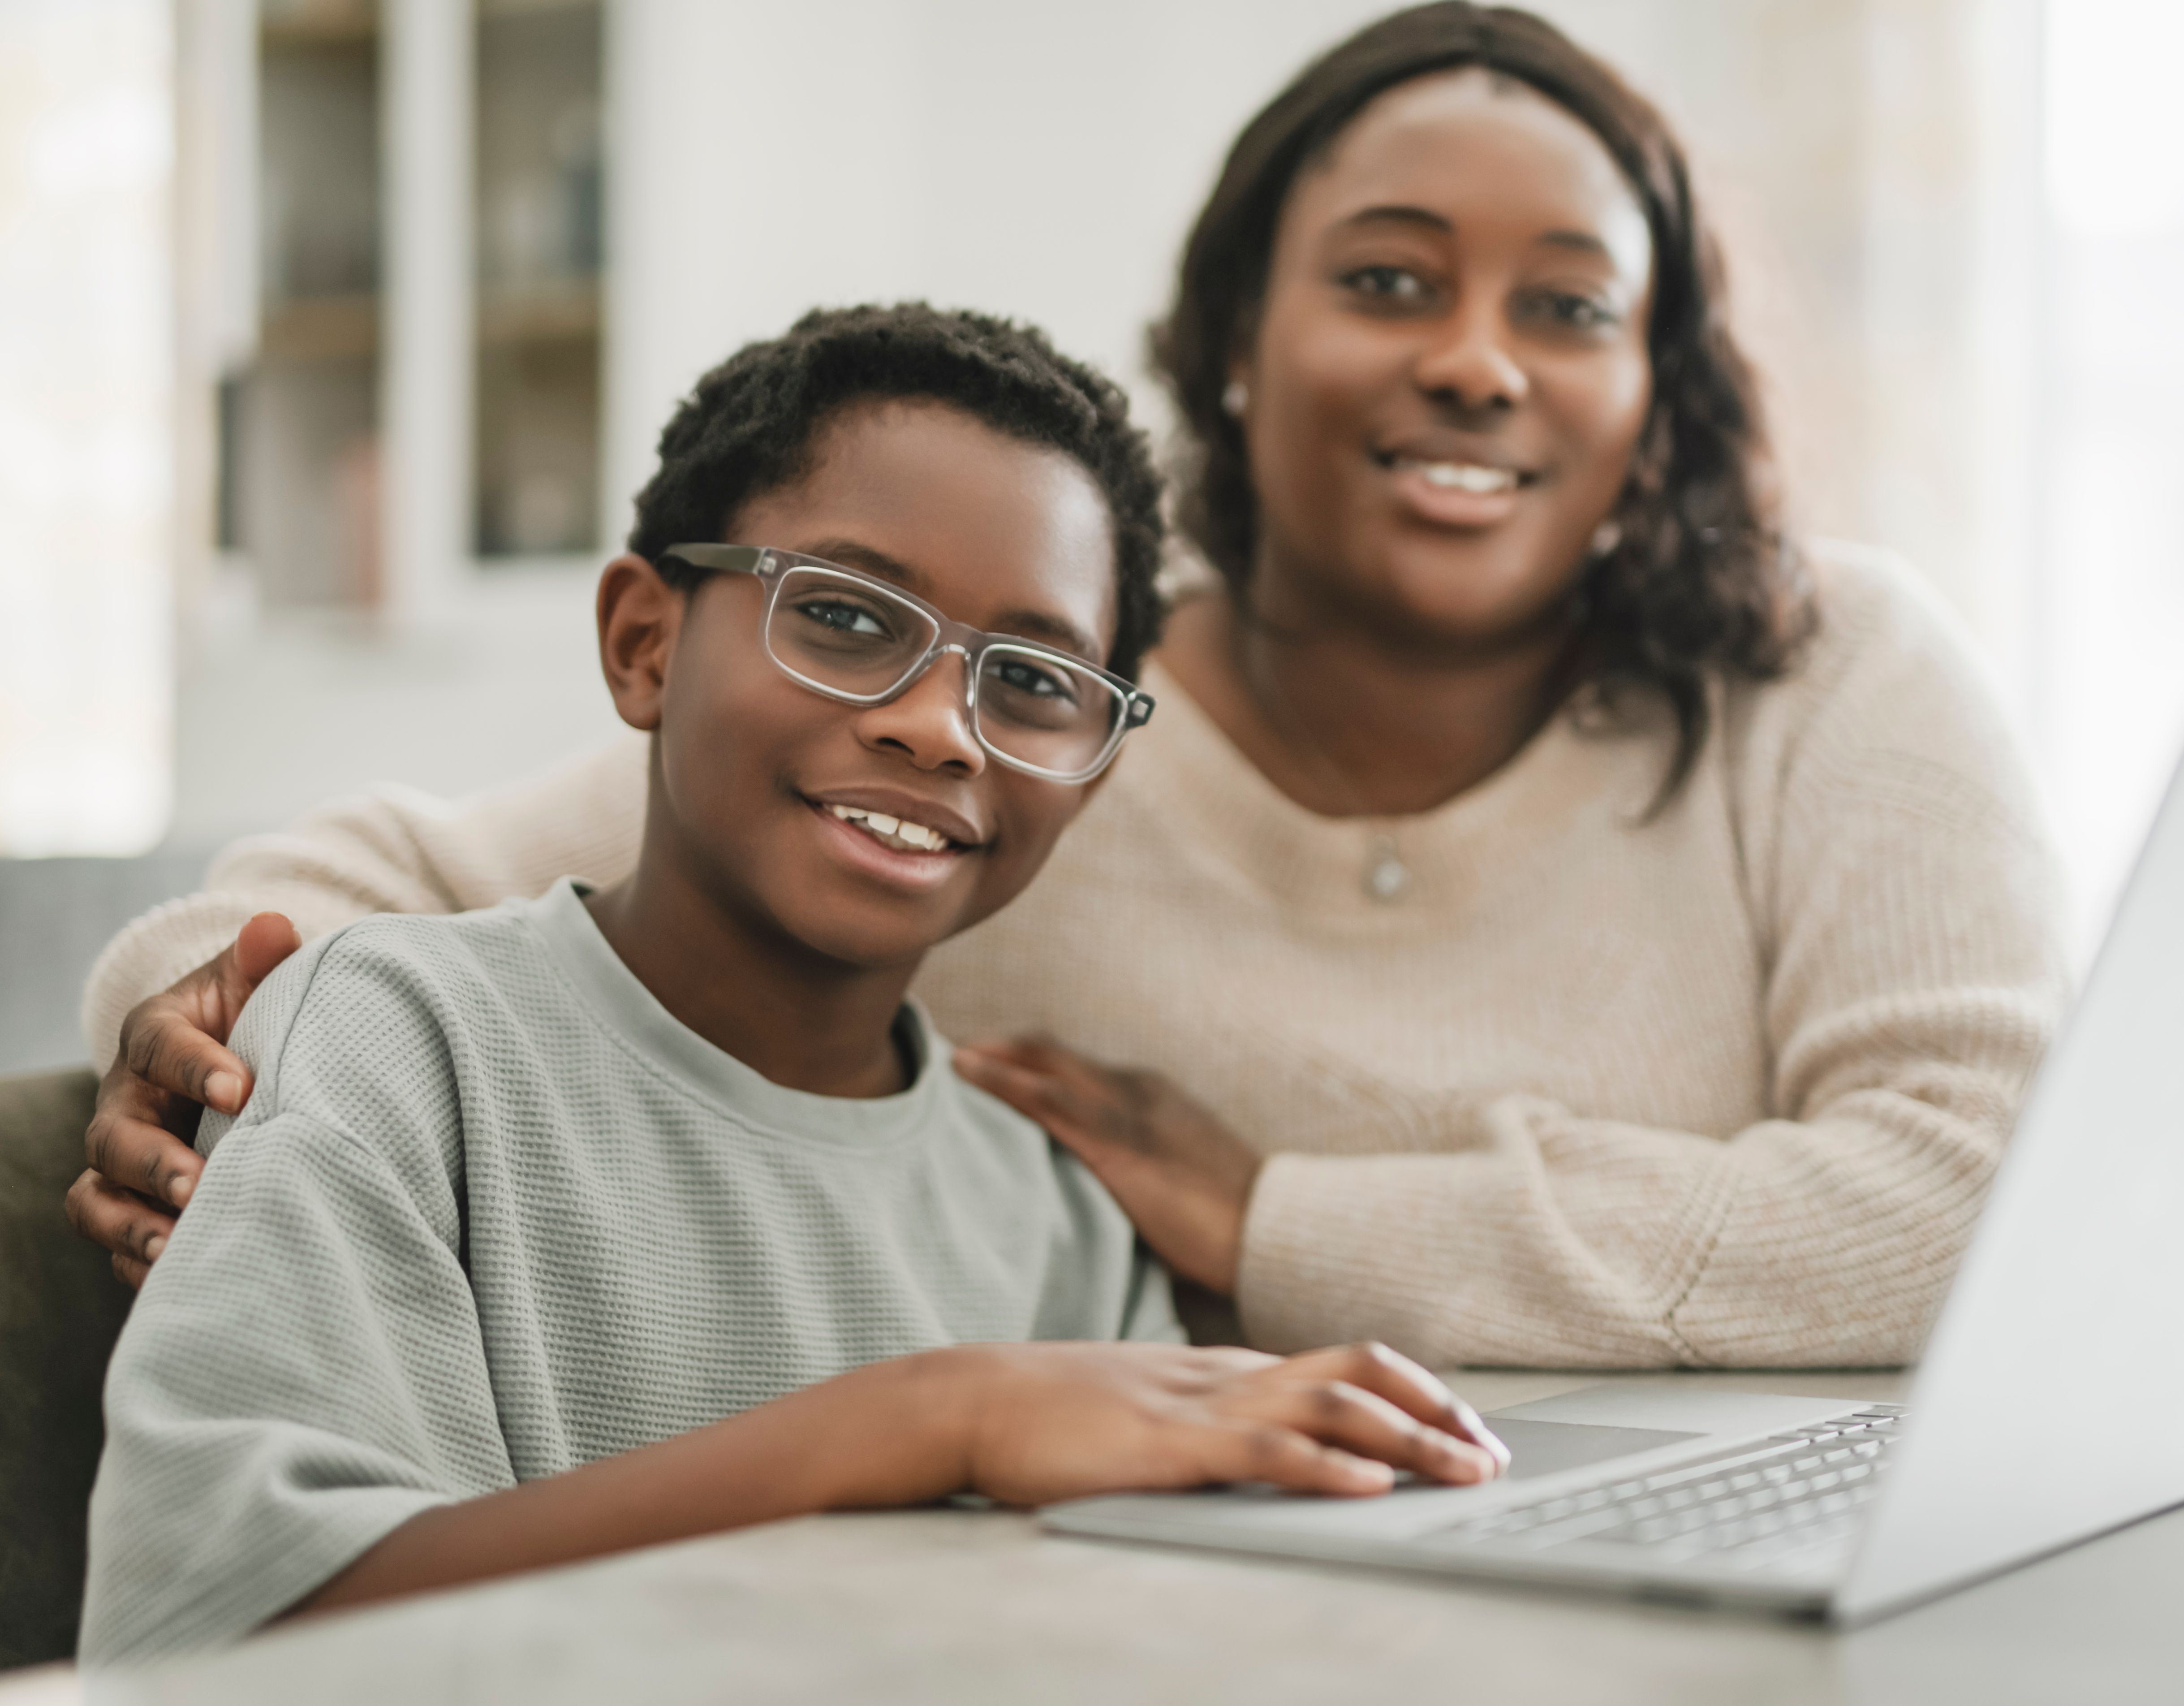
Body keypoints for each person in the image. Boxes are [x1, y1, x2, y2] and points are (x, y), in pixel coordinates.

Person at [69, 4, 2068, 1370]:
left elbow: (1990, 1194)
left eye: (1570, 308)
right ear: (1231, 342)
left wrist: (1280, 1218)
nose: (1479, 360)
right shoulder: (1022, 726)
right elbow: (371, 882)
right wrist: (188, 1014)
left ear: (1659, 393)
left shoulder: (1828, 675)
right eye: (1387, 280)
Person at [79, 306, 1503, 1665]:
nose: (944, 728)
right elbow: (229, 1633)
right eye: (843, 616)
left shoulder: (1052, 1214)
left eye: (1033, 684)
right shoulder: (400, 1043)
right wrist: (931, 1420)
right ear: (645, 643)